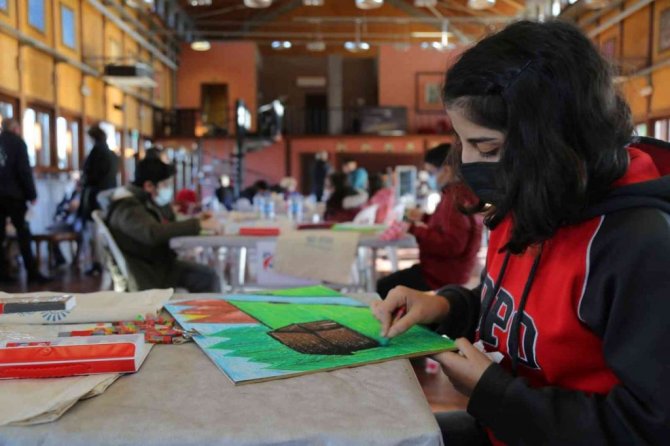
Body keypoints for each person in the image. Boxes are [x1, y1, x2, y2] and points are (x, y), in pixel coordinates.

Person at [371, 20, 670, 446]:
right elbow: (510, 306)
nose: (468, 164)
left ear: (555, 141)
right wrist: (445, 306)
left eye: (487, 148)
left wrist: (495, 394)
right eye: (462, 143)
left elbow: (648, 428)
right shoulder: (525, 199)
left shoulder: (638, 246)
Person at [376, 144, 482, 299]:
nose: (429, 178)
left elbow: (452, 245)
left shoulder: (453, 200)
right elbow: (447, 226)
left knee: (383, 287)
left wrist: (414, 229)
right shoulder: (460, 193)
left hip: (442, 273)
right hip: (450, 269)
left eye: (431, 173)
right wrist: (424, 217)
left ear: (446, 170)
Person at [105, 157, 221, 292]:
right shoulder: (127, 209)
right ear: (149, 186)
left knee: (208, 275)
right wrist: (198, 224)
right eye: (165, 184)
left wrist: (196, 219)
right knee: (208, 277)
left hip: (157, 267)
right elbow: (153, 232)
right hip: (148, 275)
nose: (168, 189)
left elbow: (167, 221)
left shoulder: (141, 202)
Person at [0, 119, 50, 283]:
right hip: (14, 196)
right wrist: (32, 194)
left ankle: (3, 274)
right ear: (15, 128)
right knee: (23, 233)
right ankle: (32, 272)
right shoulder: (18, 143)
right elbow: (24, 170)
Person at [79, 124, 119, 275]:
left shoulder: (96, 154)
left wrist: (83, 181)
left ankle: (98, 263)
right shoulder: (112, 155)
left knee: (95, 232)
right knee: (105, 232)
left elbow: (90, 177)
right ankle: (105, 262)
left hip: (95, 198)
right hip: (109, 197)